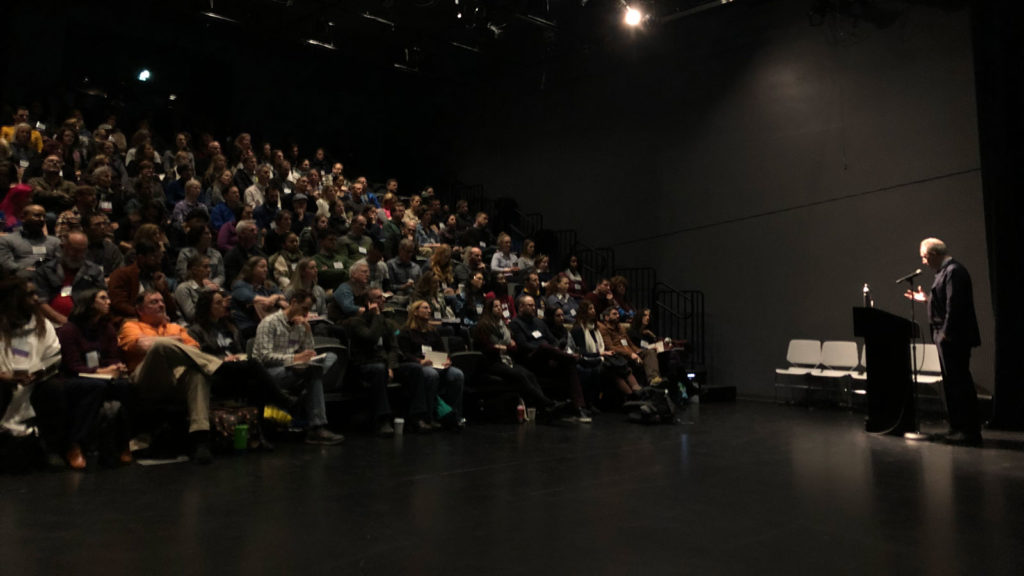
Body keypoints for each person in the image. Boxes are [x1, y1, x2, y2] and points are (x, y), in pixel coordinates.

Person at [117, 290, 223, 464]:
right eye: (154, 302)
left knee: (197, 374)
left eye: (162, 301)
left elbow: (194, 351)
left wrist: (169, 340)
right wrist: (174, 341)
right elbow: (143, 346)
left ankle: (200, 437)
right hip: (146, 378)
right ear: (140, 310)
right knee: (160, 346)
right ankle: (219, 367)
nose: (161, 304)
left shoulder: (174, 327)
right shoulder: (131, 326)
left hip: (176, 376)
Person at [906, 238, 983, 446]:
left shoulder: (954, 271)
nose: (923, 262)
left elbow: (955, 304)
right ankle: (957, 427)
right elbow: (943, 300)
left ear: (933, 254)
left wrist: (946, 333)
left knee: (959, 384)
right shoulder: (944, 272)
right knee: (951, 384)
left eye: (923, 257)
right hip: (946, 337)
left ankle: (968, 431)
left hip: (954, 338)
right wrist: (927, 299)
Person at [251, 290, 344, 445]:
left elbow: (309, 351)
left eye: (308, 310)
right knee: (313, 373)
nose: (306, 313)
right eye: (304, 308)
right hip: (269, 373)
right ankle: (317, 427)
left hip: (294, 369)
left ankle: (308, 383)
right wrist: (294, 358)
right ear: (293, 303)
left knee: (330, 357)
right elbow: (263, 357)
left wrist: (307, 332)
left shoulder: (300, 325)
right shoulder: (269, 323)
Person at [55, 289, 133, 469]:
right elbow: (73, 366)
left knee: (125, 386)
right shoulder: (69, 330)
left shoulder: (106, 328)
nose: (109, 302)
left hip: (101, 376)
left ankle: (124, 442)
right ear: (89, 303)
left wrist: (117, 367)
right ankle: (74, 443)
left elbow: (113, 356)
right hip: (73, 378)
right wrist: (101, 370)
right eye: (103, 298)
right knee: (95, 387)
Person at [471, 297, 568, 421]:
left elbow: (514, 348)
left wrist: (502, 347)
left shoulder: (503, 325)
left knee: (529, 374)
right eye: (496, 307)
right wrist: (505, 347)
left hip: (507, 359)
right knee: (520, 376)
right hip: (491, 362)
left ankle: (544, 407)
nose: (499, 309)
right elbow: (486, 348)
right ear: (489, 309)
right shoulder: (483, 326)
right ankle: (548, 404)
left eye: (500, 306)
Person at [508, 294, 589, 422]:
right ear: (521, 307)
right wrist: (545, 348)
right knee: (544, 347)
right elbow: (523, 345)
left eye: (534, 305)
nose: (533, 308)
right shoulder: (515, 324)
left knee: (569, 365)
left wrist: (554, 350)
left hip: (549, 357)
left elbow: (553, 341)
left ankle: (579, 408)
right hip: (531, 359)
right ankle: (575, 358)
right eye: (529, 305)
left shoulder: (539, 322)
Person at [396, 300, 466, 431]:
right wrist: (419, 361)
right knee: (431, 374)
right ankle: (428, 416)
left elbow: (442, 350)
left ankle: (453, 416)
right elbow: (404, 354)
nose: (429, 310)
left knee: (457, 374)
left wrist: (447, 360)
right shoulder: (406, 332)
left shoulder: (432, 331)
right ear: (415, 312)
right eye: (425, 308)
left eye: (429, 308)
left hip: (437, 363)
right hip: (419, 366)